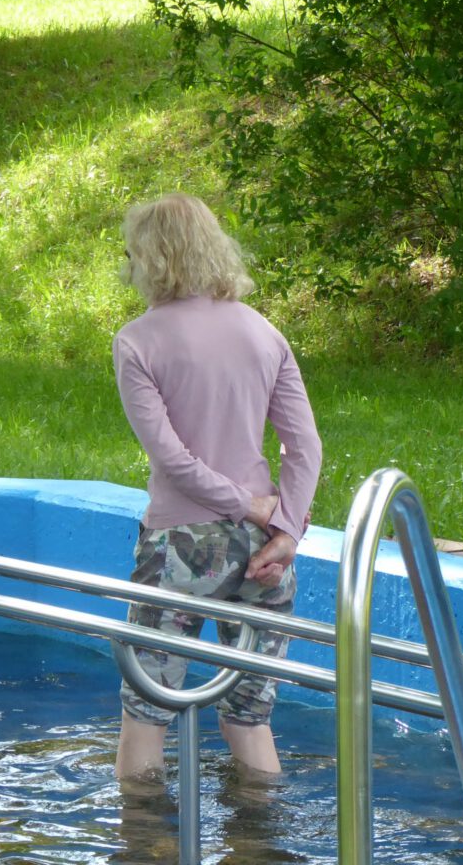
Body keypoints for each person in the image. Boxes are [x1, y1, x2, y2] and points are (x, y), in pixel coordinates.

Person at [112, 193, 322, 780]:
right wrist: (285, 528)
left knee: (146, 712)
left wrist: (249, 505)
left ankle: (144, 847)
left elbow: (173, 461)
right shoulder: (263, 332)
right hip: (265, 552)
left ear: (150, 259)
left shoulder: (137, 341)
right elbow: (305, 446)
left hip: (179, 547)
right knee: (250, 720)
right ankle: (259, 844)